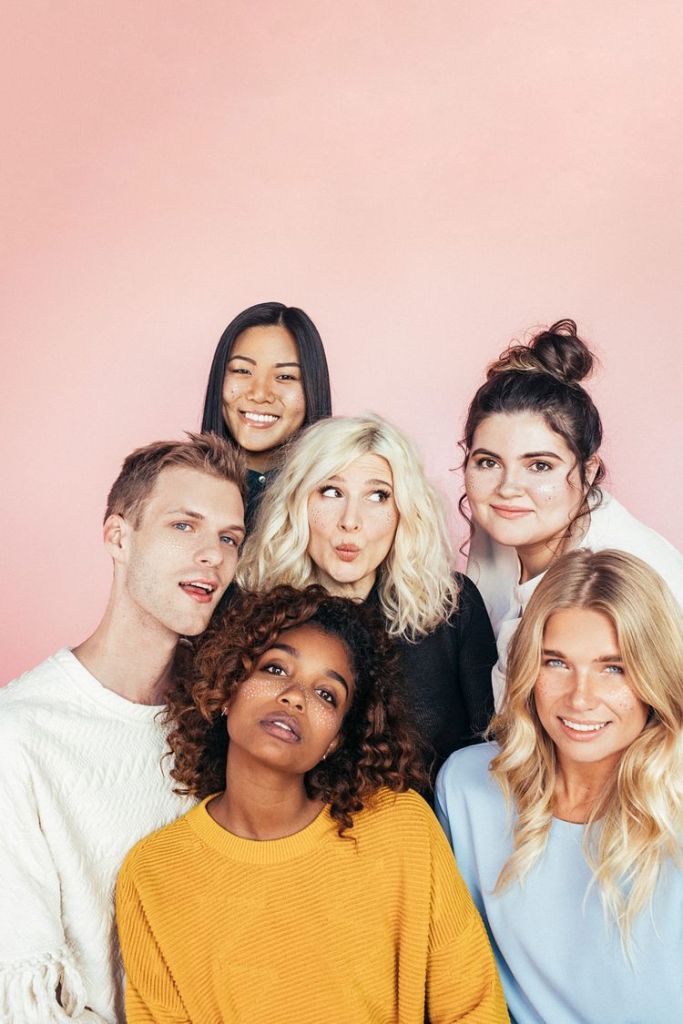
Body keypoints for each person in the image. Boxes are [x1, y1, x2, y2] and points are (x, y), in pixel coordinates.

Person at [116, 585, 508, 1023]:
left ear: (334, 740)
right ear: (228, 690)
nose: (295, 696)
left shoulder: (400, 827)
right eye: (275, 668)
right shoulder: (153, 873)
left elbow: (473, 1006)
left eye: (327, 695)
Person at [0, 434, 245, 1023]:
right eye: (184, 526)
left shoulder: (223, 717)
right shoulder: (20, 734)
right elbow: (28, 999)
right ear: (118, 537)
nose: (212, 555)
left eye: (229, 538)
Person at [436, 549, 683, 1024]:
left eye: (614, 668)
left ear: (655, 676)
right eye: (556, 663)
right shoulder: (469, 788)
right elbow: (454, 973)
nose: (580, 698)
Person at [237, 414, 497, 775]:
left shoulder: (453, 606)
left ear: (403, 510)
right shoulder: (254, 614)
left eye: (378, 496)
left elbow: (492, 756)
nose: (350, 521)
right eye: (331, 491)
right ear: (297, 502)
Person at [461, 318, 683, 704]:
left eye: (540, 465)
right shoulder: (507, 520)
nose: (508, 487)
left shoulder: (627, 572)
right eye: (488, 462)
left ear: (588, 472)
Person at [201, 300, 332, 528]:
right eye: (242, 371)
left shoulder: (336, 497)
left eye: (285, 376)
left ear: (313, 388)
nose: (260, 394)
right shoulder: (175, 484)